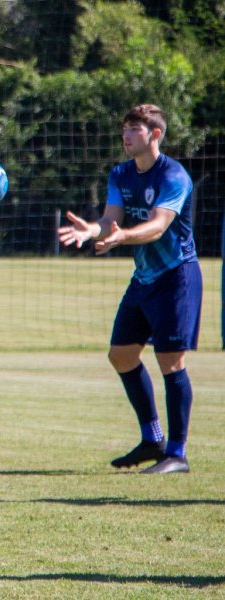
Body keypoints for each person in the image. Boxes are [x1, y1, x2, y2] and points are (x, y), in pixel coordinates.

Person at [57, 103, 199, 474]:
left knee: (171, 362)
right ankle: (152, 439)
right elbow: (110, 221)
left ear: (155, 135)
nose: (125, 136)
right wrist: (93, 231)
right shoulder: (121, 174)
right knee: (121, 355)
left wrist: (121, 239)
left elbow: (158, 226)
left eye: (133, 130)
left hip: (176, 276)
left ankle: (177, 453)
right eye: (124, 130)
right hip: (144, 279)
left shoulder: (174, 176)